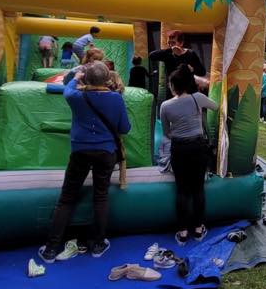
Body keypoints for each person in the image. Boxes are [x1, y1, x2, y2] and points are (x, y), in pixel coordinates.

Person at [38, 61, 130, 262]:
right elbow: (125, 128)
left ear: (86, 79)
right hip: (105, 151)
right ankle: (97, 244)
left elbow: (67, 85)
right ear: (107, 79)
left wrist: (77, 75)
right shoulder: (115, 99)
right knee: (101, 196)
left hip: (80, 150)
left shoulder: (76, 97)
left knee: (67, 197)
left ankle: (51, 249)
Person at [160, 64, 219, 245]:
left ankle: (183, 232)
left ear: (173, 86)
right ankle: (199, 229)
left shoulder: (165, 105)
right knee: (198, 189)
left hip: (179, 149)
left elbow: (166, 132)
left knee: (182, 190)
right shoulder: (197, 99)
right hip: (198, 147)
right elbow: (216, 107)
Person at [149, 30, 207, 100]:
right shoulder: (168, 54)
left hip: (189, 92)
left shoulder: (191, 54)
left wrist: (193, 69)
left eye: (173, 43)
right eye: (169, 43)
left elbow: (202, 72)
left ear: (181, 43)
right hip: (173, 92)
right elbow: (151, 56)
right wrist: (170, 50)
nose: (170, 45)